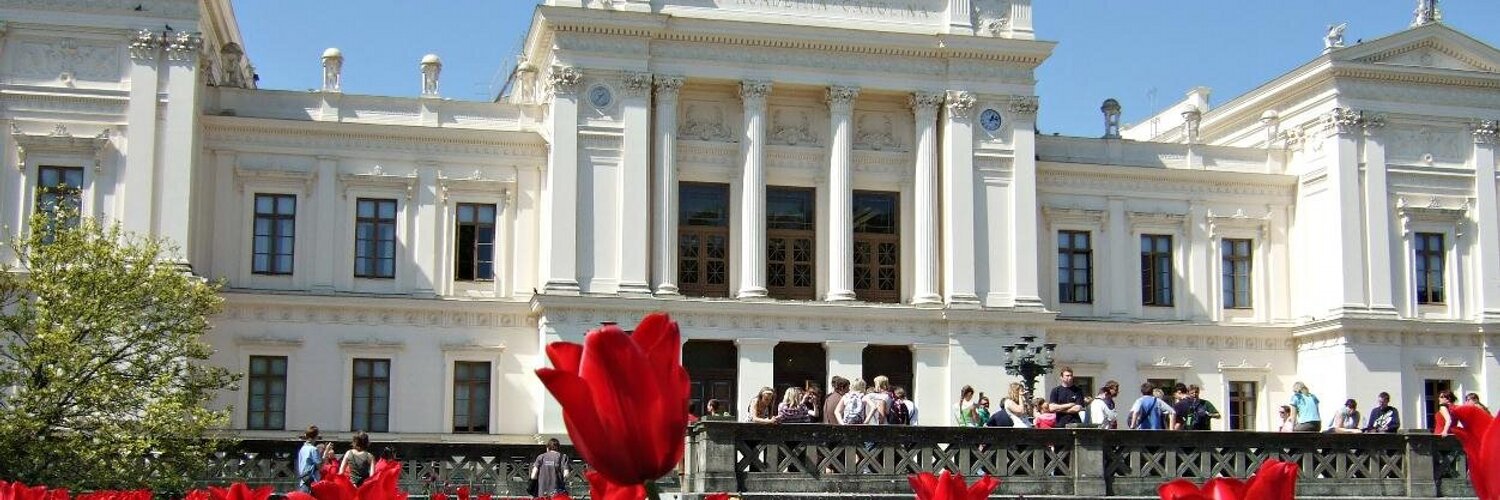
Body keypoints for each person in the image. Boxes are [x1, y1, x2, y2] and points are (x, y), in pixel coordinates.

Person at [296, 425, 323, 493]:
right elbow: (320, 467)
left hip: (303, 481)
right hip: (312, 482)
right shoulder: (313, 449)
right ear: (316, 436)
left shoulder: (302, 449)